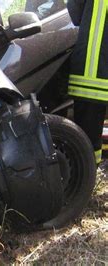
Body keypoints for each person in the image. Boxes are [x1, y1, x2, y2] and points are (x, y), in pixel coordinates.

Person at [67, 0, 108, 163]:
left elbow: (73, 16)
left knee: (87, 140)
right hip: (95, 72)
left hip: (91, 74)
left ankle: (87, 178)